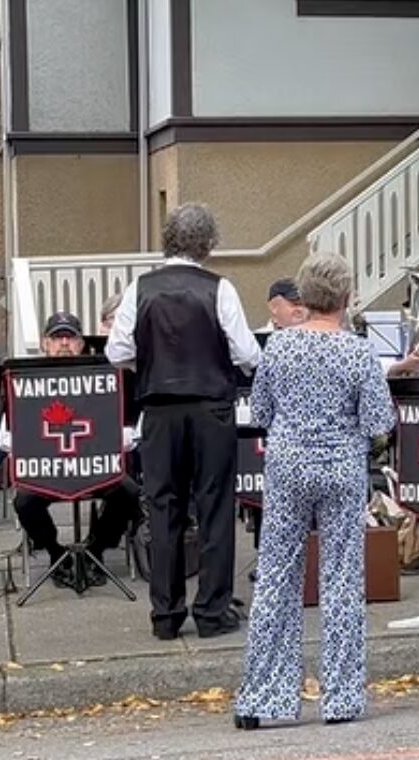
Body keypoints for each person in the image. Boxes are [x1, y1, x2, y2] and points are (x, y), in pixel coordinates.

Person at [234, 253, 395, 731]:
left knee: (277, 578)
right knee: (342, 579)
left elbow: (259, 413)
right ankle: (341, 697)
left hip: (287, 469)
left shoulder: (279, 348)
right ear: (346, 298)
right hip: (342, 469)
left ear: (303, 297)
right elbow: (378, 422)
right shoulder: (359, 351)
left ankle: (264, 696)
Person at [107, 202, 264, 640]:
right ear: (208, 243)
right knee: (214, 507)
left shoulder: (141, 287)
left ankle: (166, 614)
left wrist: (155, 360)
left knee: (164, 506)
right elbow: (247, 354)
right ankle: (212, 610)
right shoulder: (220, 288)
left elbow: (116, 352)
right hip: (211, 406)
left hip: (158, 407)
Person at [3, 312, 141, 590]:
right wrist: (34, 448)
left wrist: (104, 443)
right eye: (57, 337)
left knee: (128, 491)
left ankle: (96, 550)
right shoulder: (22, 381)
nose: (64, 343)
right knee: (24, 501)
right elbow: (5, 437)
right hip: (45, 469)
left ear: (81, 343)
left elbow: (131, 432)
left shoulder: (106, 377)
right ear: (44, 343)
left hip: (95, 467)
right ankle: (56, 554)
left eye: (70, 337)